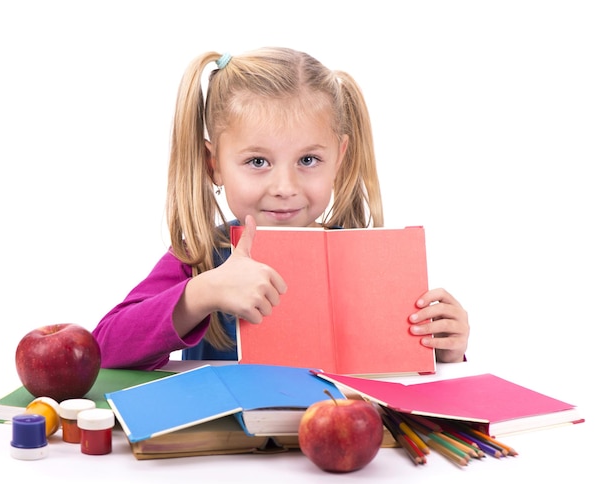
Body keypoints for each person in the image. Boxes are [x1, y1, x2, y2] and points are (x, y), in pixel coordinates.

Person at [92, 47, 469, 371]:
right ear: (214, 165)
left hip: (343, 445)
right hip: (229, 452)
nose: (285, 188)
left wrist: (448, 350)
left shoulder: (367, 261)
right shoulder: (202, 258)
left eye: (308, 159)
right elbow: (103, 349)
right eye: (258, 162)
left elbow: (401, 378)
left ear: (339, 158)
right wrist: (200, 293)